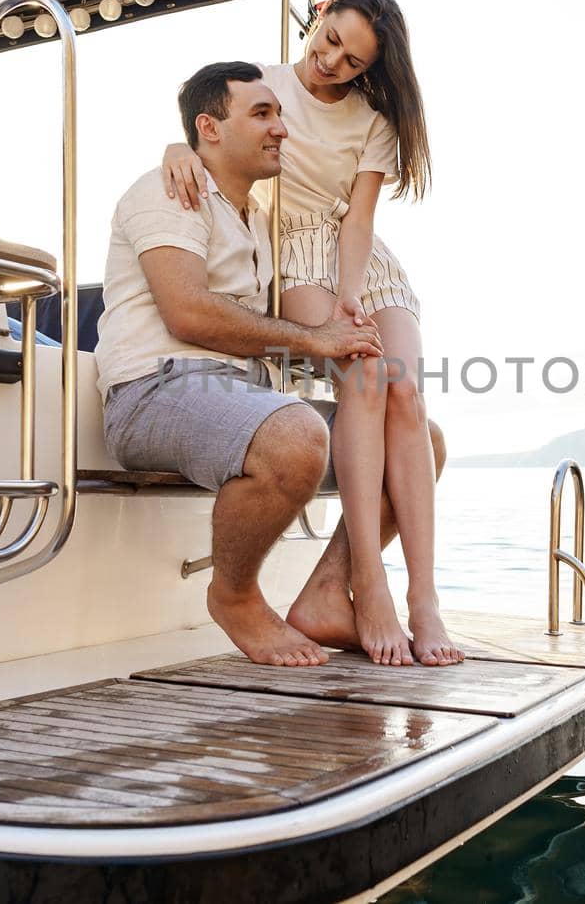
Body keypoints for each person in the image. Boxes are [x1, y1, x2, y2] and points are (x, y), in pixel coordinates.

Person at [95, 61, 445, 668]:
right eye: (262, 113)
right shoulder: (167, 190)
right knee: (295, 435)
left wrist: (346, 340)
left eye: (279, 112)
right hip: (153, 390)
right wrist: (320, 341)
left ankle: (329, 591)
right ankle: (234, 596)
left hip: (241, 394)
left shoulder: (259, 219)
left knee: (422, 440)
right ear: (209, 128)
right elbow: (189, 315)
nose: (281, 127)